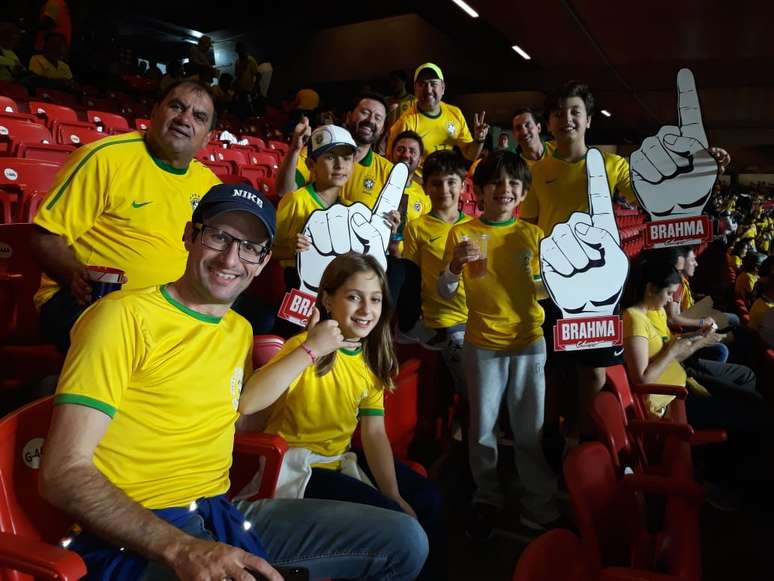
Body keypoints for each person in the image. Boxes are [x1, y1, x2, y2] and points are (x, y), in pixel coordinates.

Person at [39, 183, 428, 580]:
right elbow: (63, 473)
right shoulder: (120, 318)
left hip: (220, 512)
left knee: (405, 541)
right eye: (219, 236)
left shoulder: (238, 330)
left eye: (250, 248)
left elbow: (238, 423)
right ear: (190, 236)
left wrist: (301, 366)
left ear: (261, 263)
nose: (230, 258)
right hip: (139, 530)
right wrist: (181, 548)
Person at [240, 252, 443, 579]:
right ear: (328, 300)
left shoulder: (371, 358)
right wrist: (312, 349)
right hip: (297, 465)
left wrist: (392, 491)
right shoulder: (304, 347)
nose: (366, 310)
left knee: (428, 499)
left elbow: (374, 433)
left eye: (375, 299)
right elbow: (249, 403)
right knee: (392, 520)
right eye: (353, 297)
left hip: (339, 458)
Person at [31, 80, 222, 352]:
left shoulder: (210, 186)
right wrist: (75, 277)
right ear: (155, 112)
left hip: (168, 307)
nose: (184, 118)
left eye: (199, 116)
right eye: (176, 106)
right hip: (86, 299)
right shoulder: (104, 158)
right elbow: (45, 237)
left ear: (207, 137)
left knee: (252, 323)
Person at [439, 150, 559, 538]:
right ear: (479, 190)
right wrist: (455, 266)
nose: (504, 189)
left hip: (529, 342)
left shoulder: (532, 235)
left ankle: (538, 505)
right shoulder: (462, 233)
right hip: (482, 343)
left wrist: (554, 286)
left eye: (513, 183)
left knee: (529, 431)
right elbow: (445, 289)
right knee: (482, 429)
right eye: (496, 182)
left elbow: (541, 290)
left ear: (523, 193)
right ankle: (487, 497)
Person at [622, 258, 771, 502]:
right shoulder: (633, 319)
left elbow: (670, 354)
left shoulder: (653, 311)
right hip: (671, 403)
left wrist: (694, 342)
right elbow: (641, 382)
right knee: (756, 416)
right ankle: (728, 486)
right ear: (650, 288)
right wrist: (672, 350)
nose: (671, 300)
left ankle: (723, 474)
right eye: (669, 293)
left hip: (684, 382)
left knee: (755, 402)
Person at [401, 150, 472, 392]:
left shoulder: (476, 227)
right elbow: (411, 276)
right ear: (426, 188)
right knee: (472, 387)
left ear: (463, 186)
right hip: (443, 320)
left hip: (479, 317)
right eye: (437, 183)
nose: (444, 189)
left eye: (451, 182)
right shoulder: (416, 228)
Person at [276, 93, 395, 210]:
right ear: (349, 116)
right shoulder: (318, 152)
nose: (370, 120)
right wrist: (295, 149)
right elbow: (284, 191)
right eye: (365, 113)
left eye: (378, 118)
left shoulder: (388, 172)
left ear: (382, 129)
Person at [273, 124, 356, 289]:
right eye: (330, 157)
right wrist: (291, 250)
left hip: (335, 288)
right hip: (297, 287)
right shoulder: (296, 200)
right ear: (311, 164)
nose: (340, 165)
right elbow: (267, 249)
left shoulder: (351, 210)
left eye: (346, 158)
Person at [387, 63, 489, 170]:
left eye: (433, 84)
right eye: (422, 84)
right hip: (418, 184)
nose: (428, 90)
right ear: (415, 89)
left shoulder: (455, 113)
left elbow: (470, 155)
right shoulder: (406, 122)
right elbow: (391, 161)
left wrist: (479, 140)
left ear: (443, 88)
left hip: (446, 180)